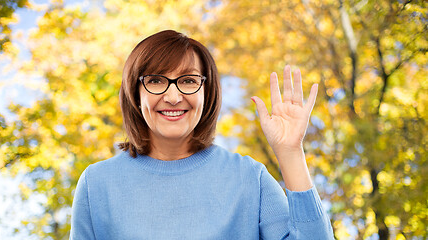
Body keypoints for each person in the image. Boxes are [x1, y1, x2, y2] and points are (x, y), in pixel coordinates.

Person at [70, 30, 334, 239]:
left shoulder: (249, 179)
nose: (173, 97)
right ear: (134, 93)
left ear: (207, 93)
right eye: (156, 81)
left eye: (188, 80)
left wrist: (290, 153)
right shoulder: (97, 184)